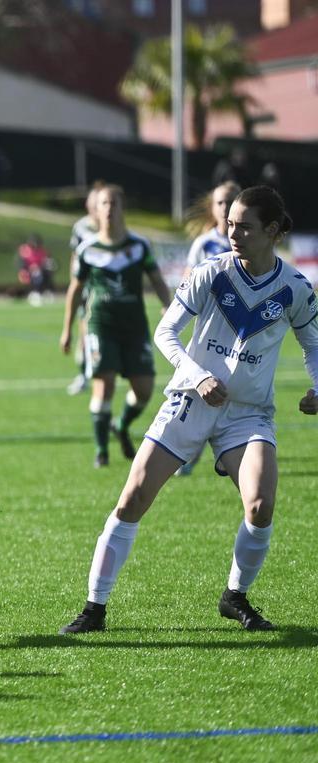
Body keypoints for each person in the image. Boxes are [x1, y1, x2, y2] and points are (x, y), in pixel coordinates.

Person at [59, 186, 318, 634]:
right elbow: (166, 333)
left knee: (260, 505)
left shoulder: (295, 288)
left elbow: (313, 345)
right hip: (191, 402)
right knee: (133, 497)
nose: (232, 232)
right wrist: (198, 375)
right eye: (230, 223)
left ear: (272, 231)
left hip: (248, 413)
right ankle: (94, 608)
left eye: (245, 227)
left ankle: (234, 597)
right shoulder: (211, 272)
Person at [59, 184, 173, 468]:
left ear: (123, 208)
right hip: (101, 325)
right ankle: (101, 451)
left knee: (144, 390)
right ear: (95, 211)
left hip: (134, 326)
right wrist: (68, 329)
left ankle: (121, 425)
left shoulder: (139, 246)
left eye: (114, 203)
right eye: (104, 204)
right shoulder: (87, 250)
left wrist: (168, 308)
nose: (109, 209)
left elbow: (157, 279)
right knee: (104, 385)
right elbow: (75, 290)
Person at [177, 180, 241, 475]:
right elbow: (188, 282)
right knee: (203, 387)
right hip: (209, 329)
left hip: (243, 331)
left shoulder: (249, 242)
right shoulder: (204, 244)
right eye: (221, 203)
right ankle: (189, 450)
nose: (226, 207)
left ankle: (226, 448)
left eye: (231, 201)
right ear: (213, 208)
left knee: (235, 390)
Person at [66, 181, 106, 395]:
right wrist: (74, 279)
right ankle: (84, 375)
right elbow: (75, 256)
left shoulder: (111, 227)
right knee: (85, 332)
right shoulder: (81, 227)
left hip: (106, 286)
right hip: (87, 285)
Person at [12, 233, 56, 305]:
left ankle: (47, 292)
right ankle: (36, 293)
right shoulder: (24, 250)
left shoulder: (42, 251)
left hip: (40, 270)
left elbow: (46, 261)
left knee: (46, 273)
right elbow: (21, 263)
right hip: (27, 272)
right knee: (37, 274)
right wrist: (29, 268)